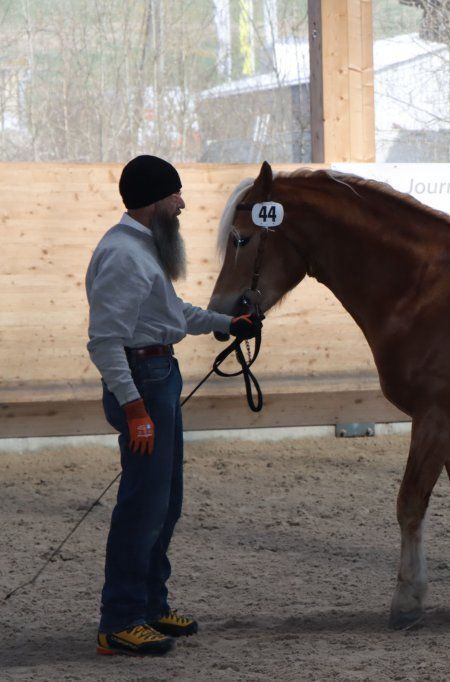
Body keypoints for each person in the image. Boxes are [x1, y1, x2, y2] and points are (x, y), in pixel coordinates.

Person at [86, 155, 261, 656]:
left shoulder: (142, 250)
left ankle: (149, 605)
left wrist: (229, 325)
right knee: (142, 506)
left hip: (159, 375)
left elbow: (170, 313)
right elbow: (105, 342)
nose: (182, 203)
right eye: (175, 195)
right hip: (143, 382)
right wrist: (135, 409)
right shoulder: (123, 256)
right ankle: (119, 621)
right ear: (154, 202)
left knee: (165, 502)